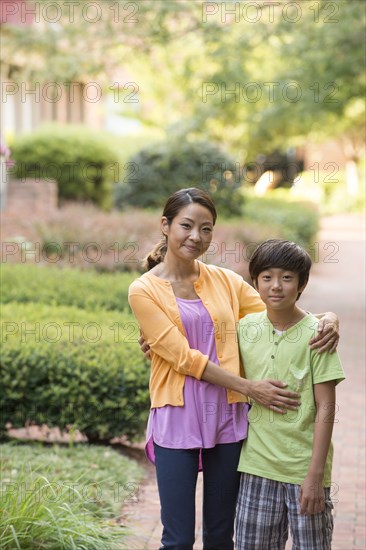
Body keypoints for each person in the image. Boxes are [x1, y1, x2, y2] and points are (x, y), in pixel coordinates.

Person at [128, 188, 339, 550]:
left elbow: (279, 312)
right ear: (165, 225)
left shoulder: (225, 280)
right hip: (177, 414)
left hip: (227, 415)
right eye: (187, 226)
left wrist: (327, 317)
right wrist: (249, 386)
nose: (196, 237)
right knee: (177, 539)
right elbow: (183, 358)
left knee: (220, 535)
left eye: (206, 229)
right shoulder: (143, 290)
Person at [235, 239, 345, 550]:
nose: (276, 286)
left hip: (304, 471)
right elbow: (202, 360)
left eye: (287, 277)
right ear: (255, 281)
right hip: (256, 467)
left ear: (301, 284)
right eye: (267, 277)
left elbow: (326, 406)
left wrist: (315, 475)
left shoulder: (318, 335)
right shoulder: (244, 329)